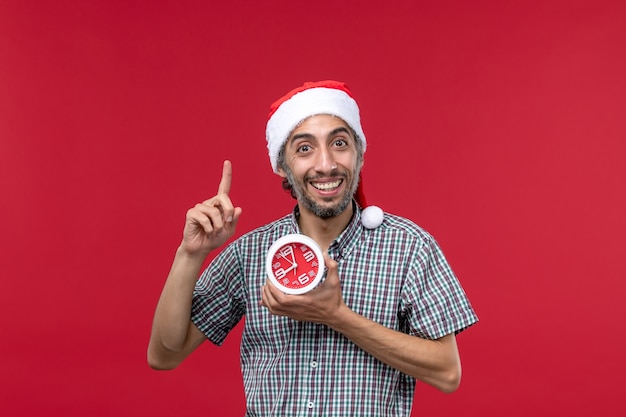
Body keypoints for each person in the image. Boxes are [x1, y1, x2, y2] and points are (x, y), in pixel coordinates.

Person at [148, 80, 478, 416]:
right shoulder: (250, 253)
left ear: (359, 154)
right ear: (282, 165)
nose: (326, 164)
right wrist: (191, 254)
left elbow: (447, 372)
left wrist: (337, 317)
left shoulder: (409, 247)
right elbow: (164, 354)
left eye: (339, 143)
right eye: (304, 148)